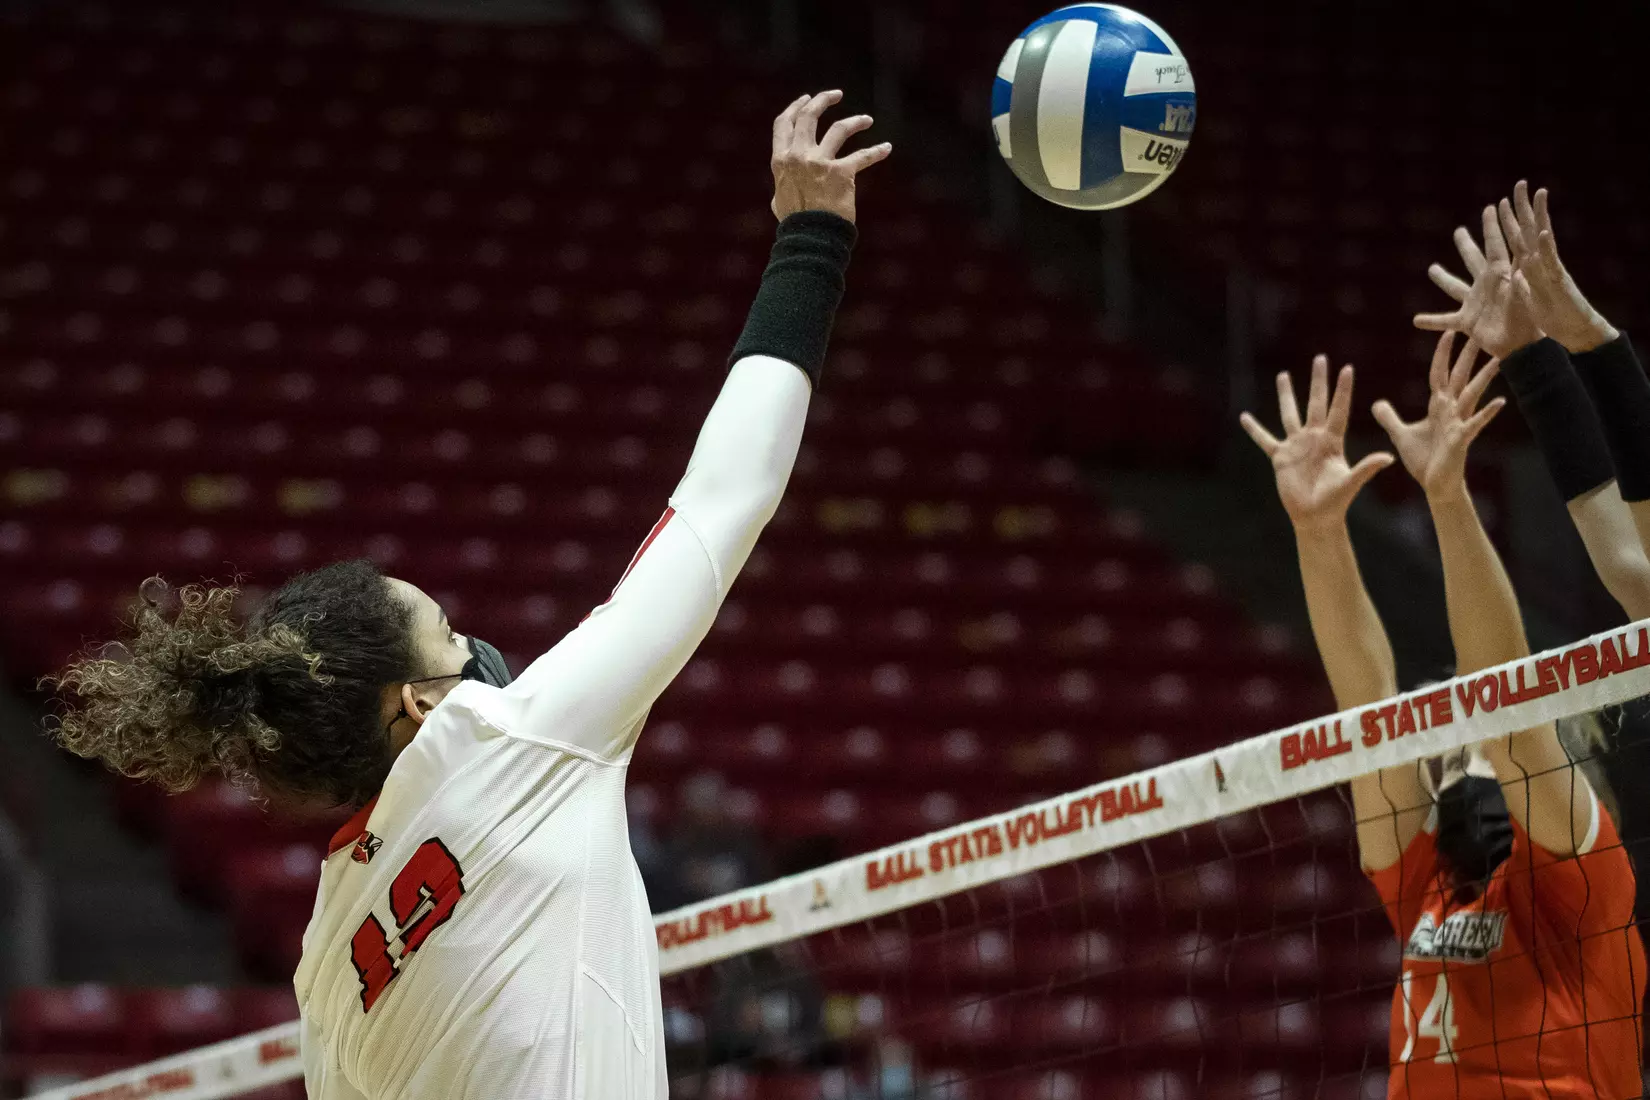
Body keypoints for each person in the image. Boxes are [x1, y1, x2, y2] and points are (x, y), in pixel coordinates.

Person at [43, 90, 892, 1100]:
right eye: (446, 633)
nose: (474, 645)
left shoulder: (326, 954)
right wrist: (811, 240)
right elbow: (724, 495)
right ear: (420, 701)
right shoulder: (515, 739)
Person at [1243, 342, 1645, 1097]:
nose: (1456, 761)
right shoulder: (1426, 881)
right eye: (1448, 754)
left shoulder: (1582, 884)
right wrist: (1320, 533)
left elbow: (1510, 706)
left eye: (1471, 749)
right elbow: (1367, 716)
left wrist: (1448, 496)